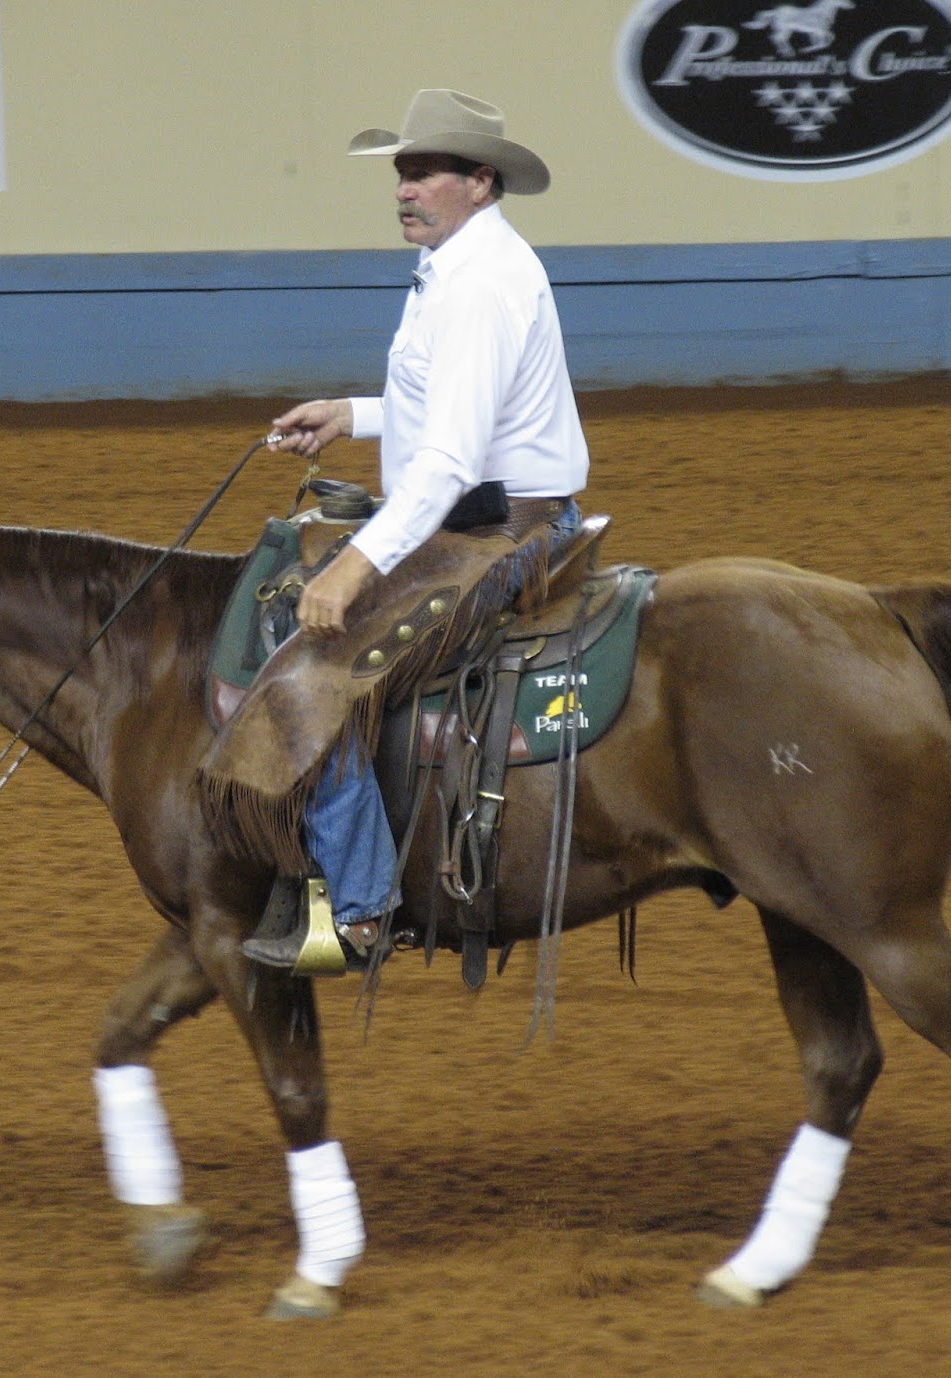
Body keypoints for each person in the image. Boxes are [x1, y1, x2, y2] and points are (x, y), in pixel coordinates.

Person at [231, 88, 590, 969]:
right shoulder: (467, 268)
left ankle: (357, 908)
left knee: (315, 668)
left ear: (478, 180)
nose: (404, 189)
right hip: (500, 513)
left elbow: (449, 461)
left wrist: (355, 567)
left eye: (422, 173)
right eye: (400, 174)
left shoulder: (476, 288)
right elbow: (445, 408)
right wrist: (351, 415)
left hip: (498, 532)